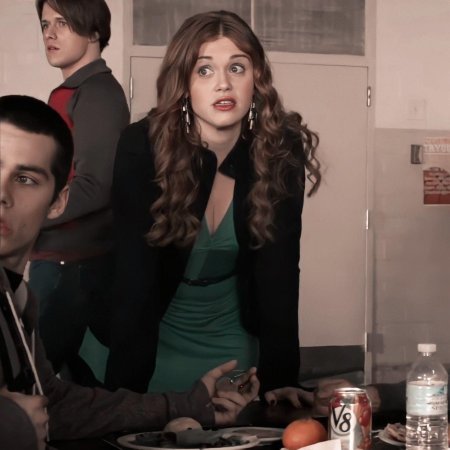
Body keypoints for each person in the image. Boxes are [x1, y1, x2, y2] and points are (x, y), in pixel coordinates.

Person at [0, 94, 259, 450]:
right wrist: (10, 424)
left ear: (58, 201)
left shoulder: (16, 297)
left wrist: (191, 404)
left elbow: (52, 405)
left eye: (25, 178)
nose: (2, 194)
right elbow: (23, 417)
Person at [107, 10, 321, 397]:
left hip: (228, 332)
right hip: (150, 328)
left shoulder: (279, 148)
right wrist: (126, 400)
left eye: (237, 68)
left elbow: (280, 272)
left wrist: (281, 380)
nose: (223, 83)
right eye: (204, 70)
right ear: (184, 82)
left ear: (256, 78)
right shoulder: (142, 146)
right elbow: (133, 280)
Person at [28, 0, 130, 385]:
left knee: (33, 381)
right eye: (45, 24)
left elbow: (96, 185)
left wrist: (27, 217)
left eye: (63, 23)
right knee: (54, 380)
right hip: (56, 259)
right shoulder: (71, 91)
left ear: (94, 31)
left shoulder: (98, 92)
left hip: (72, 265)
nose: (50, 34)